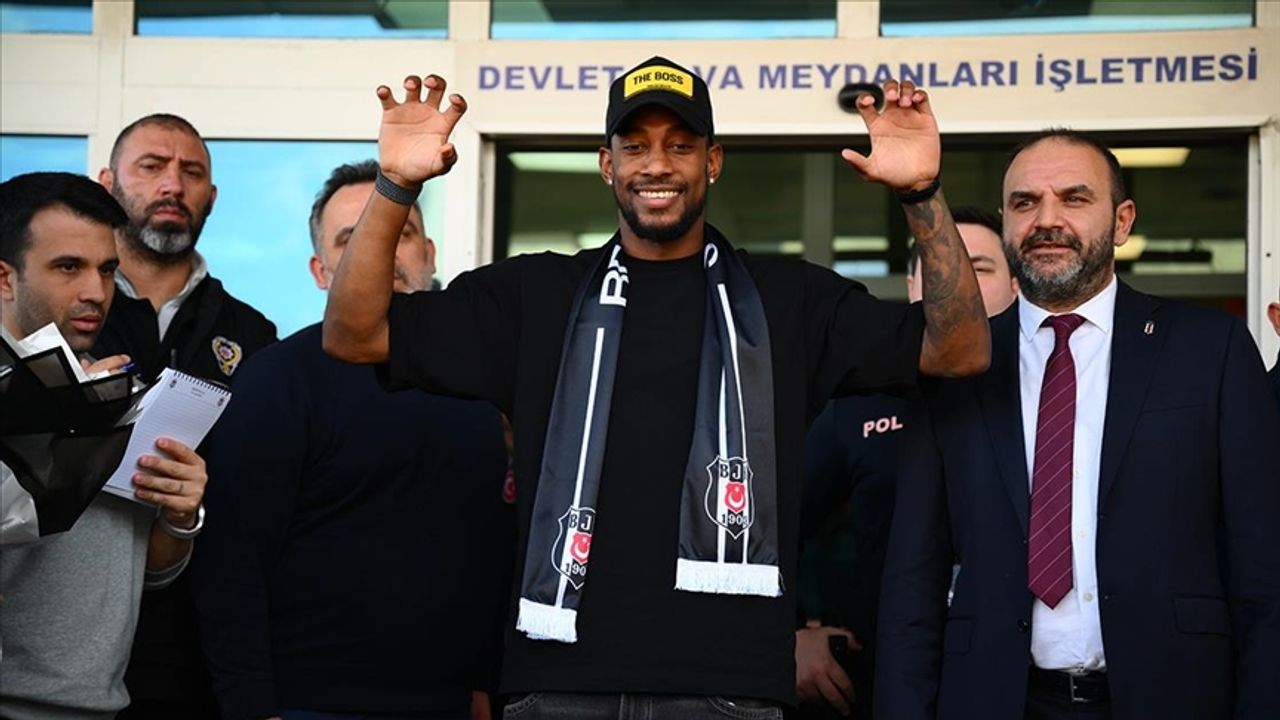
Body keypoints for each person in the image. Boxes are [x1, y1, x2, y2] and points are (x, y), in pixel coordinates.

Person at [323, 55, 991, 717]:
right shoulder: (533, 295)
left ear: (713, 161)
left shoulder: (790, 300)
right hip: (557, 686)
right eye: (635, 146)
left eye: (680, 145)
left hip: (730, 692)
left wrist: (921, 194)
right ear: (607, 164)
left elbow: (959, 350)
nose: (657, 165)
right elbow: (354, 334)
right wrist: (395, 186)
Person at [876, 129, 1280, 720]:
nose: (1047, 220)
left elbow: (1264, 572)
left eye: (1074, 198)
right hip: (993, 699)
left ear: (1122, 221)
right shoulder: (956, 366)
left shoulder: (1209, 351)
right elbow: (912, 581)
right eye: (1024, 203)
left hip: (1174, 696)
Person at [190, 160, 513, 720]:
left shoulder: (479, 384)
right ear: (320, 271)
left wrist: (484, 686)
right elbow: (232, 561)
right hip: (307, 706)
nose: (380, 250)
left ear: (430, 255)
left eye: (400, 233)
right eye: (354, 238)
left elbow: (490, 549)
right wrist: (251, 706)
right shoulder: (277, 380)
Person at [0, 171, 208, 718]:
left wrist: (179, 517)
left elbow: (148, 574)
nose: (96, 292)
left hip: (104, 707)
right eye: (68, 267)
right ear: (4, 277)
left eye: (108, 269)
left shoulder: (117, 393)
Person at [797, 207, 1017, 719]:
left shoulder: (1048, 396)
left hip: (1013, 683)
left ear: (1016, 287)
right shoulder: (857, 405)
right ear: (914, 287)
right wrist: (793, 633)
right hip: (877, 683)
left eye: (979, 268)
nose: (959, 285)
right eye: (942, 269)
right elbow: (770, 520)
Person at [92, 113, 278, 720]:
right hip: (58, 645)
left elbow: (255, 506)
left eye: (191, 172)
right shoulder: (65, 318)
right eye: (152, 167)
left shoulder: (252, 333)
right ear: (106, 184)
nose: (172, 185)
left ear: (212, 197)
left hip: (196, 659)